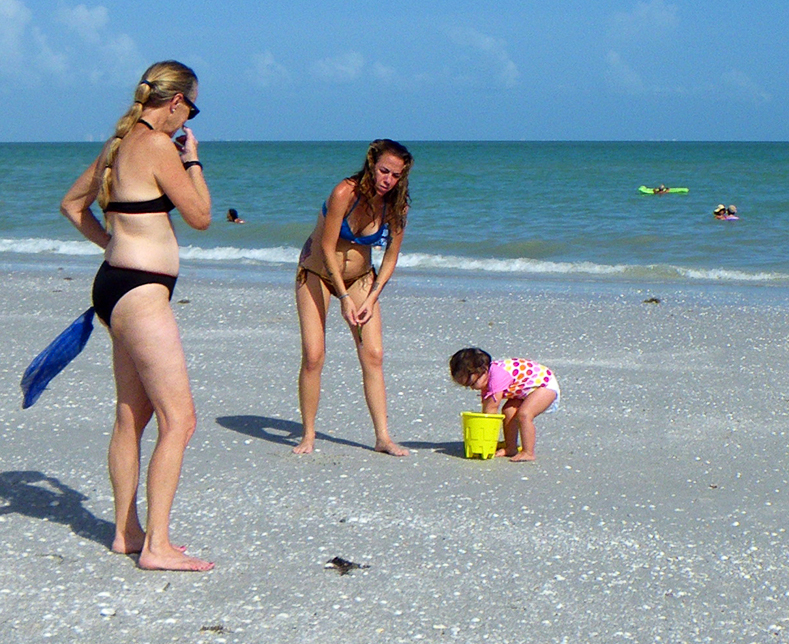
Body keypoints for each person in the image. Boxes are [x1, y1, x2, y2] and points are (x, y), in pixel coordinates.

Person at [59, 61, 213, 571]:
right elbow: (201, 216)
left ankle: (127, 531)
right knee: (180, 420)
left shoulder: (119, 144)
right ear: (176, 102)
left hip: (113, 286)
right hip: (142, 294)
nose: (190, 116)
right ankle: (157, 546)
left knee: (133, 414)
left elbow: (72, 205)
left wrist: (113, 246)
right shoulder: (155, 145)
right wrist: (192, 161)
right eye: (192, 106)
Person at [294, 139, 413, 457]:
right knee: (314, 355)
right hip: (317, 274)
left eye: (396, 175)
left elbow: (390, 258)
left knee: (373, 354)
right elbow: (327, 247)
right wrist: (344, 298)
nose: (388, 180)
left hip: (361, 278)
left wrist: (371, 297)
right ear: (372, 163)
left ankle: (383, 437)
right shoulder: (343, 193)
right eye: (384, 171)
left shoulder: (396, 205)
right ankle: (307, 435)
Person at [450, 348, 560, 462]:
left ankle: (528, 452)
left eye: (472, 383)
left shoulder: (497, 377)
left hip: (544, 385)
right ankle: (511, 447)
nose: (472, 388)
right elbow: (487, 405)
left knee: (525, 414)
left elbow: (491, 408)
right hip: (523, 389)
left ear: (484, 369)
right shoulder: (486, 377)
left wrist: (485, 439)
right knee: (508, 411)